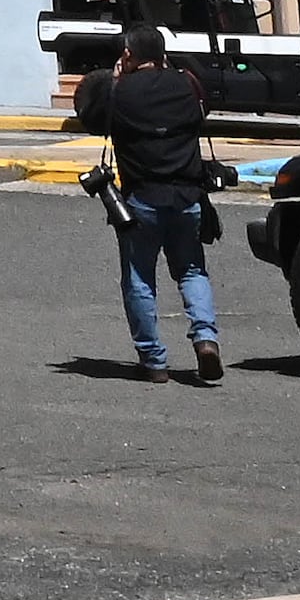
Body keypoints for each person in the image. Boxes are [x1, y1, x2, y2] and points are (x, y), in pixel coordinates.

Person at [82, 21, 222, 382]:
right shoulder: (187, 83)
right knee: (192, 271)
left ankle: (154, 360)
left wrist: (114, 82)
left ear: (128, 55)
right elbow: (201, 115)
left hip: (141, 198)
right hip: (188, 195)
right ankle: (205, 339)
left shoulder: (120, 91)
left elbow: (94, 120)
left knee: (140, 279)